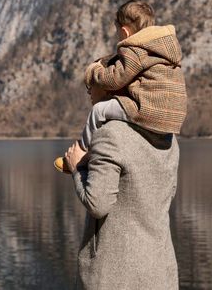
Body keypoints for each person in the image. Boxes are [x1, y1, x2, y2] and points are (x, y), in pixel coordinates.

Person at [54, 0, 187, 173]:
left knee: (99, 110)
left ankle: (82, 154)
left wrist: (94, 72)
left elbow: (115, 79)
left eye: (117, 32)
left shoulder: (136, 49)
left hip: (147, 109)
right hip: (173, 117)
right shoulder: (162, 48)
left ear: (124, 31)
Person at [64, 115, 180, 289]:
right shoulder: (168, 136)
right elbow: (168, 193)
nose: (89, 93)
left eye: (91, 88)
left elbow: (97, 204)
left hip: (114, 277)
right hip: (160, 271)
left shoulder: (110, 134)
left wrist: (77, 168)